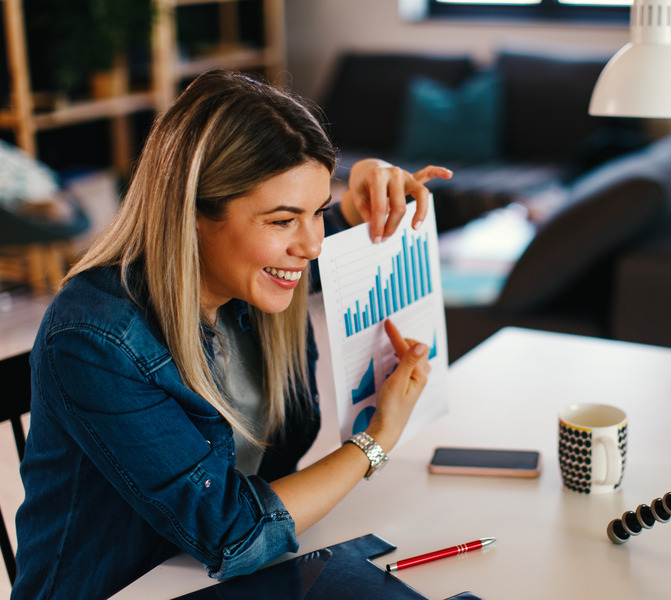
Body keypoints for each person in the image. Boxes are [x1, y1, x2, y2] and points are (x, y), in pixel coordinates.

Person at [12, 70, 452, 599]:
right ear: (193, 214)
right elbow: (233, 534)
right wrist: (376, 440)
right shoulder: (96, 340)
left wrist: (371, 185)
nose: (313, 245)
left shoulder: (247, 274)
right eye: (285, 220)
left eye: (317, 211)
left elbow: (334, 223)